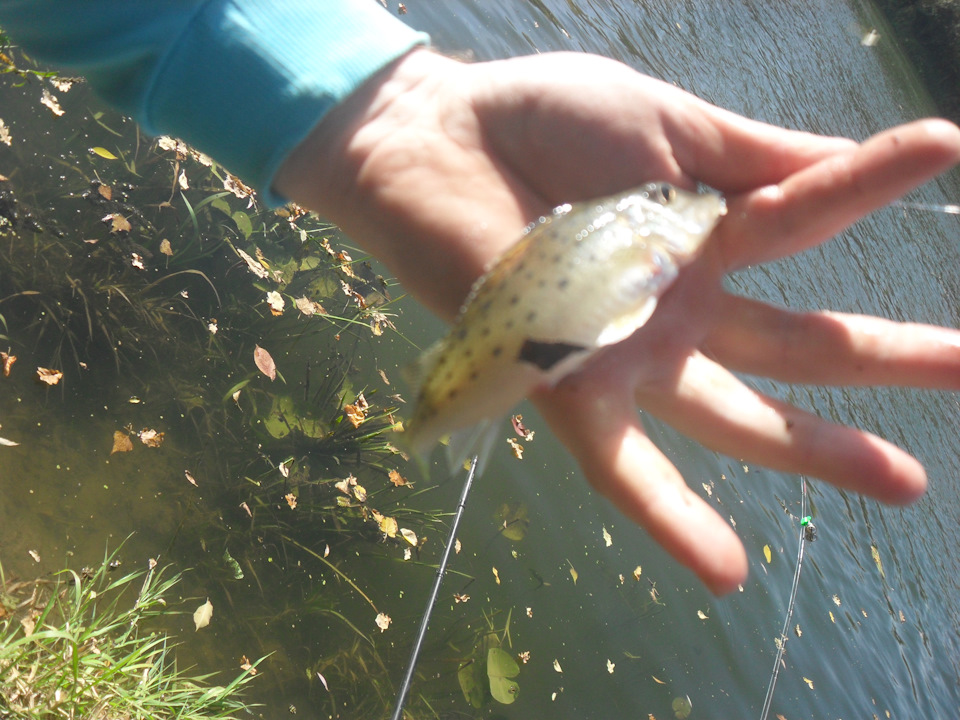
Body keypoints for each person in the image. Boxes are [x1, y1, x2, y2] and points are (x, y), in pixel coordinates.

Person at [3, 1, 960, 594]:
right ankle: (438, 410)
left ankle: (441, 409)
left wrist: (379, 99)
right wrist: (388, 107)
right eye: (670, 203)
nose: (683, 208)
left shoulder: (650, 238)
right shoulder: (648, 231)